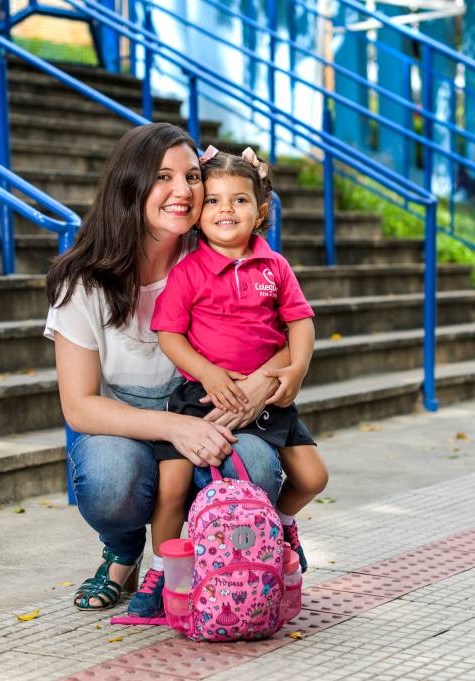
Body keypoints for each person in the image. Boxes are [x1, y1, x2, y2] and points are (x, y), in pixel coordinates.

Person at [45, 123, 289, 611]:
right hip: (126, 426)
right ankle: (122, 553)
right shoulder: (84, 281)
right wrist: (173, 428)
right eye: (163, 177)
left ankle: (199, 560)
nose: (183, 191)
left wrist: (267, 383)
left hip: (208, 410)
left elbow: (280, 336)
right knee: (112, 480)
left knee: (257, 468)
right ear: (130, 186)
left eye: (193, 176)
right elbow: (79, 406)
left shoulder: (218, 251)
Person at [126, 147, 329, 617]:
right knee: (172, 485)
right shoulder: (189, 271)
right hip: (201, 397)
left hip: (269, 398)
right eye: (213, 201)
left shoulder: (274, 267)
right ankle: (164, 570)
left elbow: (301, 323)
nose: (225, 210)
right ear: (198, 216)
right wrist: (209, 373)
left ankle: (276, 529)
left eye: (239, 201)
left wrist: (295, 370)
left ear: (260, 212)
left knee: (314, 477)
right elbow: (170, 335)